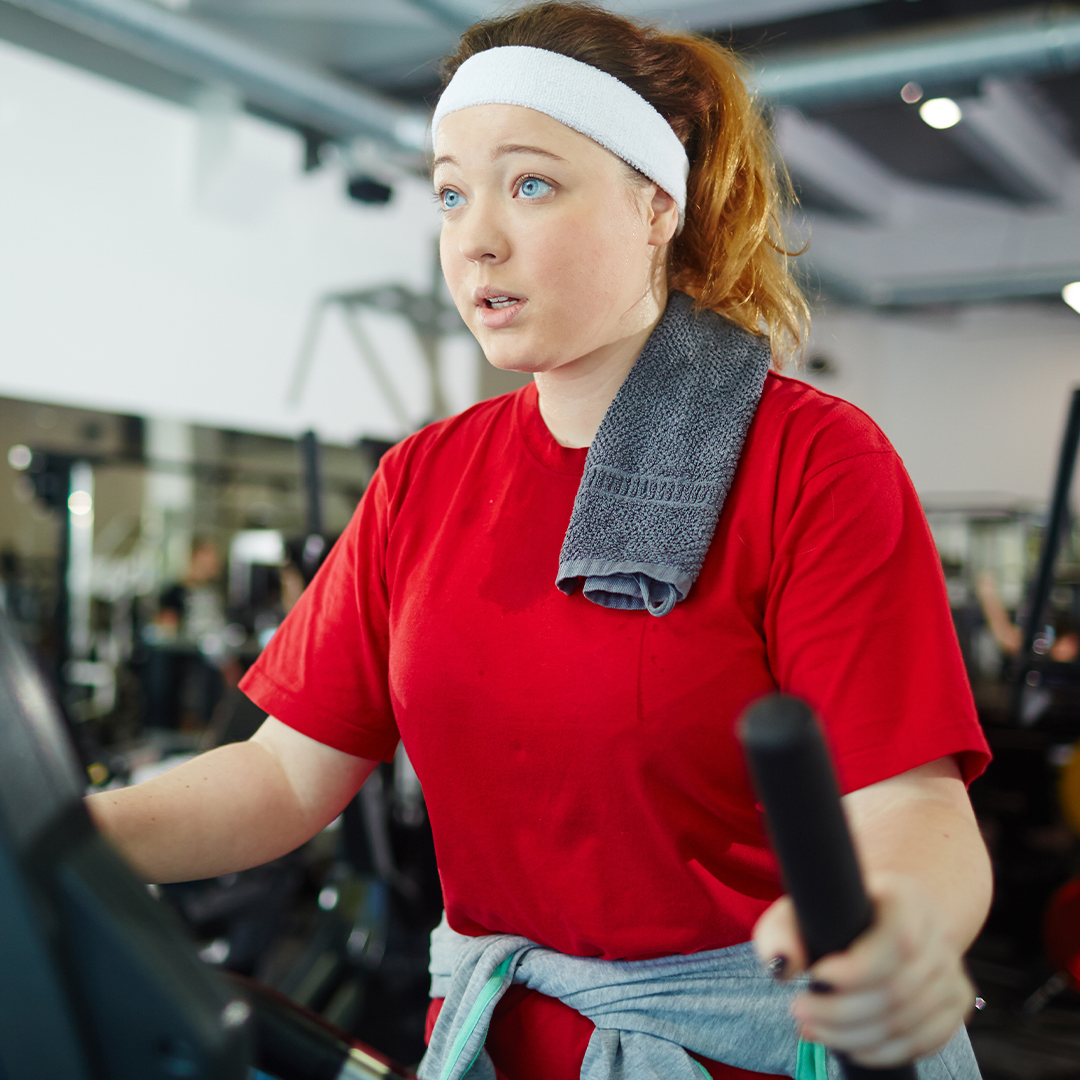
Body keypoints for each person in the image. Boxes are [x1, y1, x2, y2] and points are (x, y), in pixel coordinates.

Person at [87, 4, 992, 1077]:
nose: (476, 236)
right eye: (451, 193)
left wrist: (905, 927)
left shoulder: (813, 461)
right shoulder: (422, 480)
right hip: (493, 1038)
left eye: (530, 184)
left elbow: (910, 801)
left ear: (658, 204)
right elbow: (283, 779)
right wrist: (65, 832)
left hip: (743, 1048)